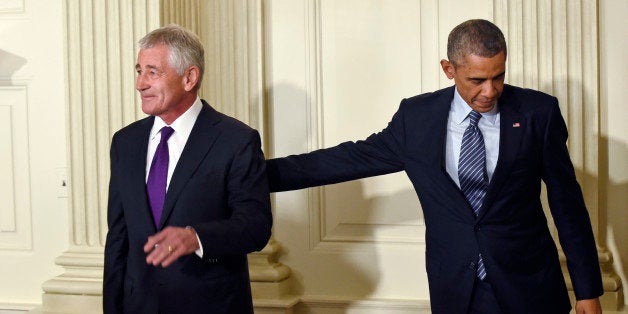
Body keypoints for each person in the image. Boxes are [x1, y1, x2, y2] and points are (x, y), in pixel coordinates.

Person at [267, 19, 603, 313]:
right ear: (449, 69)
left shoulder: (537, 113)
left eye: (498, 76)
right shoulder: (417, 119)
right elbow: (347, 160)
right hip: (457, 288)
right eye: (476, 80)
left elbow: (567, 205)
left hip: (529, 286)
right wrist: (252, 174)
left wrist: (587, 289)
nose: (491, 91)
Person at [103, 24, 272, 314]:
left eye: (152, 72)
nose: (140, 83)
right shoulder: (125, 142)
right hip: (138, 305)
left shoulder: (236, 140)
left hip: (209, 305)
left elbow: (255, 227)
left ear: (189, 77)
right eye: (139, 71)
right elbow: (118, 237)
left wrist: (196, 237)